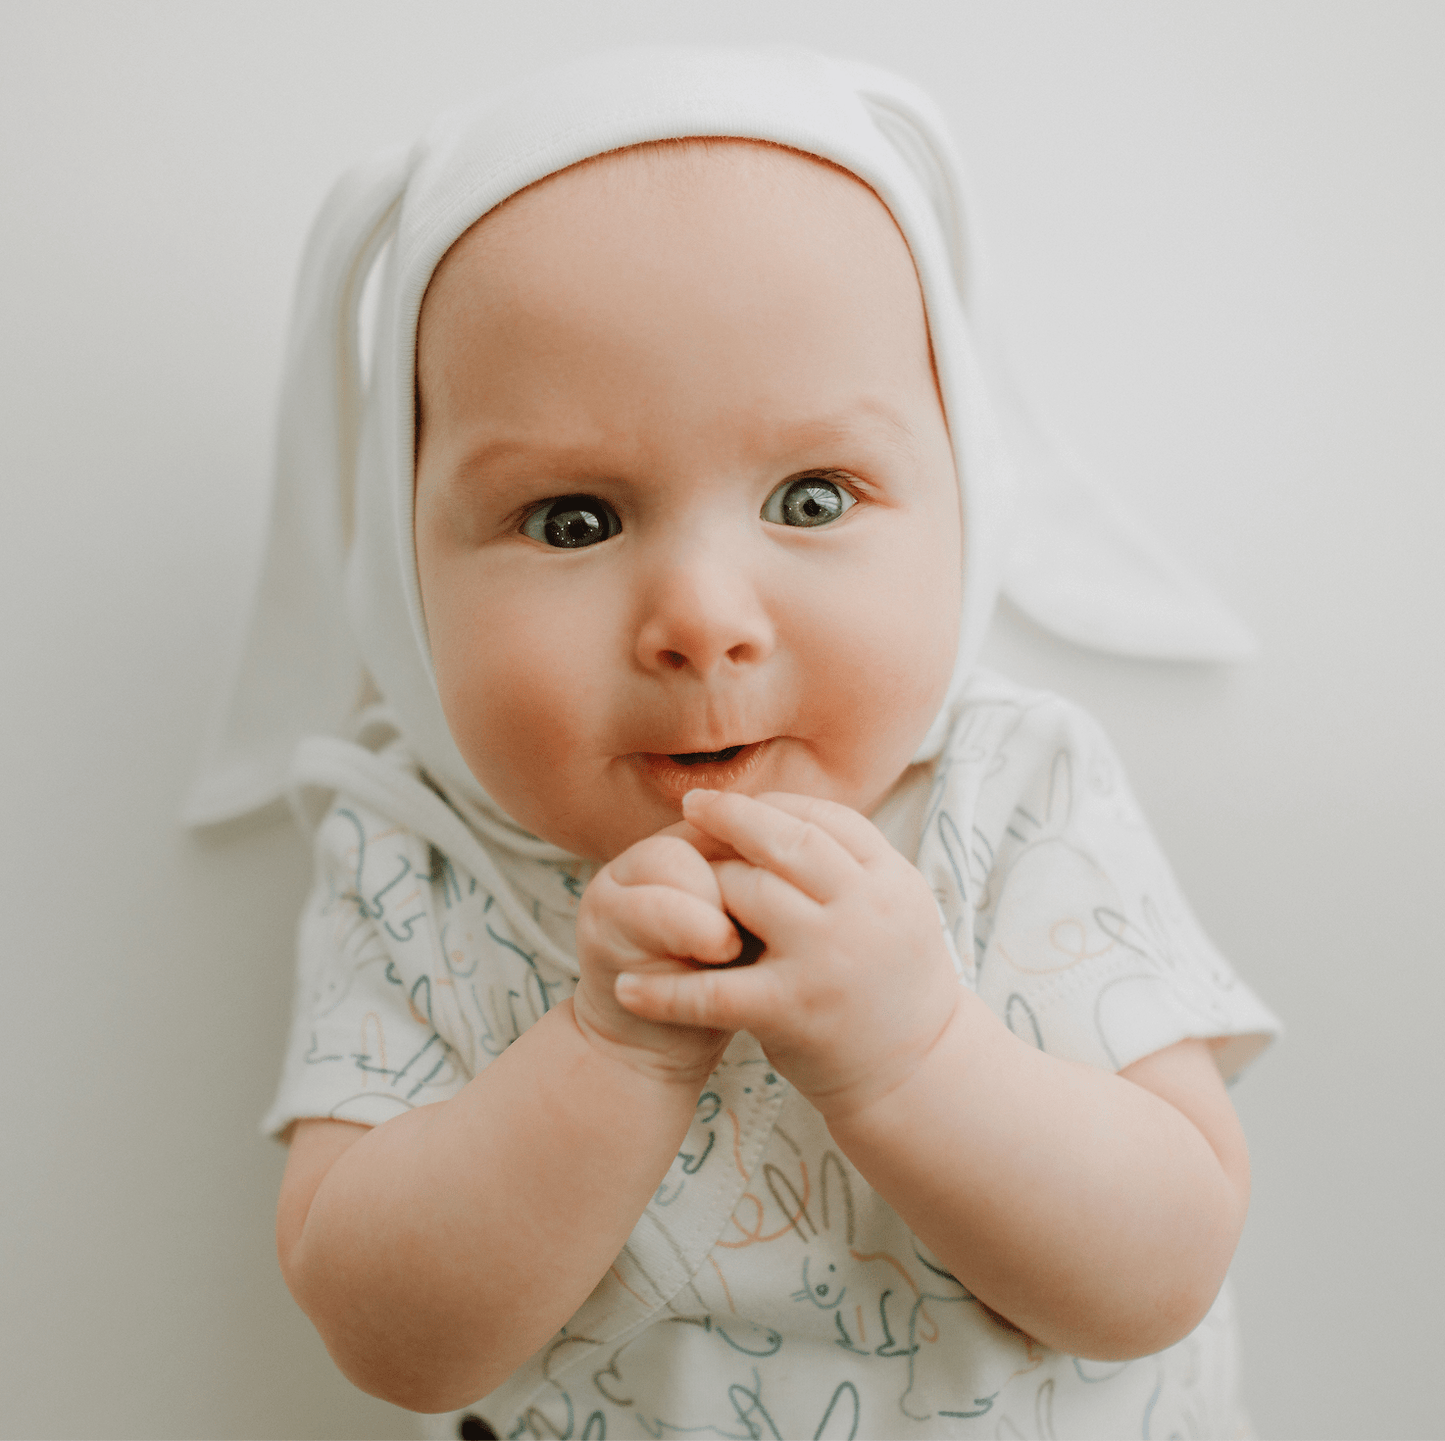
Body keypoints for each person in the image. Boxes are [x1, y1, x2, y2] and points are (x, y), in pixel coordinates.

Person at [186, 47, 1280, 1439]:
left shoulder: (1016, 794)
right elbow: (387, 1334)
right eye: (575, 519)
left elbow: (1161, 1268)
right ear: (407, 573)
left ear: (965, 496)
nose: (702, 621)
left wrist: (914, 1053)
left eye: (813, 498)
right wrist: (608, 1052)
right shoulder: (418, 858)